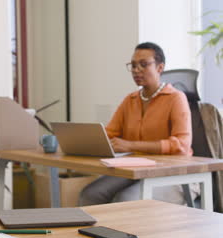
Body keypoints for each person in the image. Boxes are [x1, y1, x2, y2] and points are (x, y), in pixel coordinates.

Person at [78, 42, 195, 206]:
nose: (136, 70)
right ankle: (95, 232)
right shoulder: (130, 100)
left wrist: (130, 145)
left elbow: (181, 145)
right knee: (90, 195)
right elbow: (110, 133)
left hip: (172, 173)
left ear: (160, 67)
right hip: (136, 169)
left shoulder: (176, 98)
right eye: (133, 65)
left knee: (126, 201)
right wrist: (80, 141)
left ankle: (121, 233)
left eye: (143, 64)